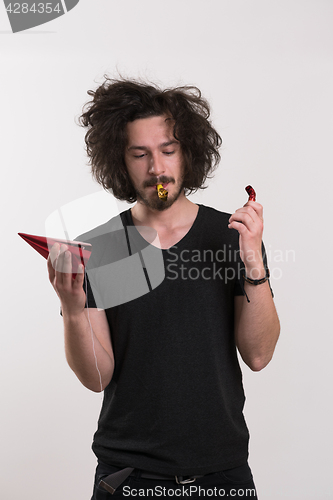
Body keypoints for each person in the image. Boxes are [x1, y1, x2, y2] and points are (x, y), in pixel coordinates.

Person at [47, 78, 280, 499]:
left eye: (168, 151)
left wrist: (252, 262)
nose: (157, 168)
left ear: (188, 153)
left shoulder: (229, 236)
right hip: (127, 477)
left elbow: (259, 355)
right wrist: (73, 307)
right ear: (121, 162)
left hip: (222, 475)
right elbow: (96, 377)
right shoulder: (100, 248)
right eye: (140, 154)